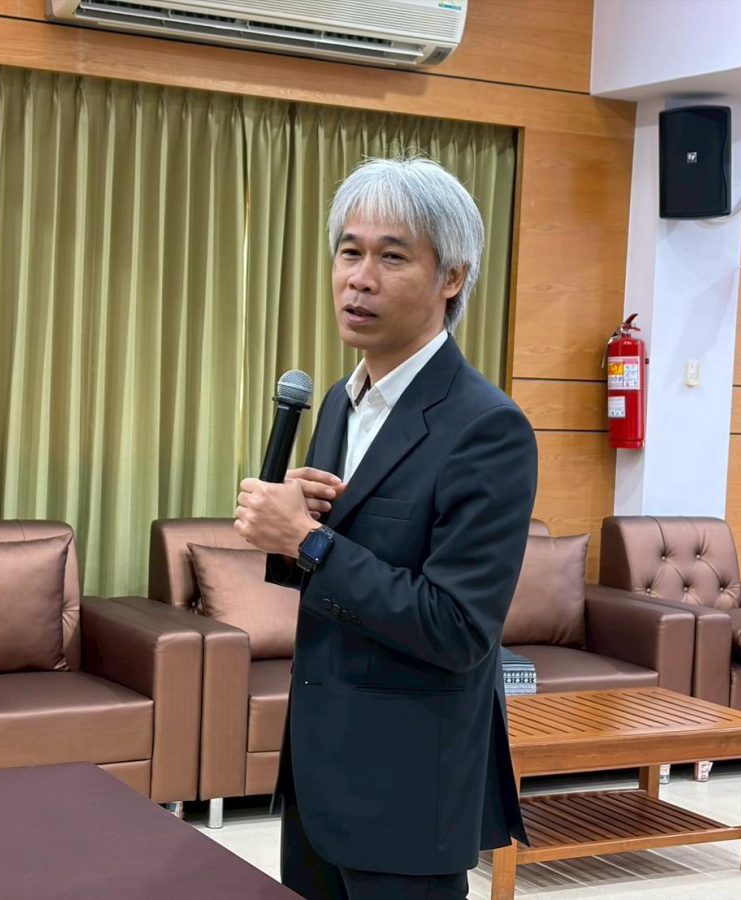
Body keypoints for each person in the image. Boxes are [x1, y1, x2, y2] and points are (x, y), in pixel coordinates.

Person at [235, 157, 537, 900]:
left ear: (452, 277)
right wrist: (294, 530)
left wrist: (310, 541)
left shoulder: (487, 427)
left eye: (392, 257)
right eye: (350, 251)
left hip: (407, 789)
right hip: (317, 773)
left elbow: (458, 629)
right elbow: (331, 577)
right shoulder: (340, 404)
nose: (359, 279)